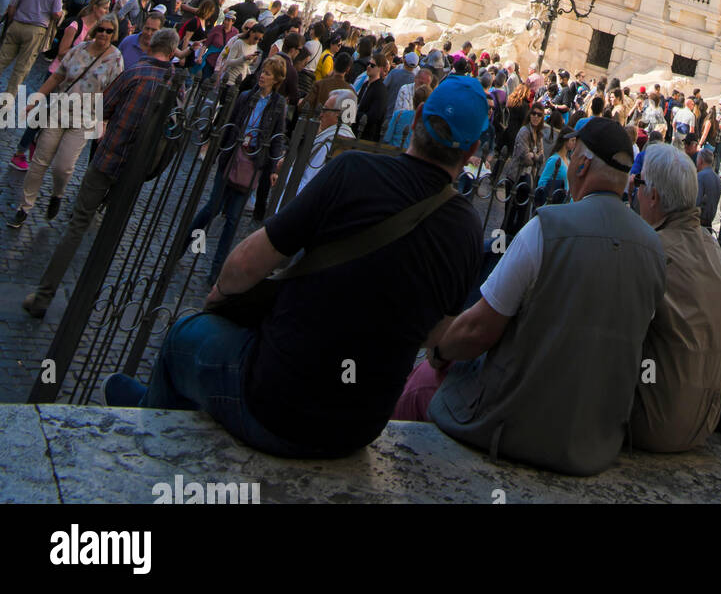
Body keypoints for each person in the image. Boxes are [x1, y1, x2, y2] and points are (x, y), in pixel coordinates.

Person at [105, 73, 486, 458]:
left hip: (274, 403)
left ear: (417, 116)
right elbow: (436, 335)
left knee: (182, 335)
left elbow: (245, 264)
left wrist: (220, 296)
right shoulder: (468, 229)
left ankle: (149, 423)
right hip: (357, 427)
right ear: (472, 150)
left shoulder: (353, 170)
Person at [400, 117, 664, 475]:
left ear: (583, 164)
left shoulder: (547, 227)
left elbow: (478, 330)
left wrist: (439, 353)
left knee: (419, 387)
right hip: (595, 440)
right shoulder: (654, 248)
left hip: (517, 427)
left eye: (574, 157)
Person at [23, 29, 180, 319]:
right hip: (135, 172)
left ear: (152, 47)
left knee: (77, 227)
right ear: (172, 52)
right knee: (110, 235)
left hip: (107, 160)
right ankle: (88, 302)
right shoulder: (175, 82)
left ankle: (43, 297)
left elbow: (103, 109)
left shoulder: (134, 73)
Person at [629, 142, 721, 452]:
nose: (635, 191)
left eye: (640, 183)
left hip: (649, 423)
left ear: (654, 196)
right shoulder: (713, 248)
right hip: (702, 424)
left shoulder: (651, 249)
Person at [7, 18, 125, 229]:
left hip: (84, 118)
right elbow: (57, 77)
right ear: (95, 29)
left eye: (109, 31)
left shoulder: (116, 59)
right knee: (40, 161)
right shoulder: (78, 50)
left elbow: (112, 94)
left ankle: (57, 194)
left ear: (114, 34)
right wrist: (37, 98)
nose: (104, 34)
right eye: (101, 29)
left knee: (63, 167)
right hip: (59, 110)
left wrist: (104, 122)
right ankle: (24, 207)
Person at [188, 56, 289, 286]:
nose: (263, 75)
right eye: (263, 71)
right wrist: (215, 152)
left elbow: (277, 137)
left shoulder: (278, 103)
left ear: (276, 80)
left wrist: (272, 168)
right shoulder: (246, 97)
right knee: (212, 208)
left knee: (233, 219)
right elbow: (229, 126)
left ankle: (217, 270)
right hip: (232, 157)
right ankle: (186, 243)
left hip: (252, 164)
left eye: (268, 73)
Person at [0, 0, 64, 109]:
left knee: (2, 59)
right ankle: (5, 101)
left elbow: (12, 6)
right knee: (21, 68)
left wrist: (14, 21)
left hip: (17, 24)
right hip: (36, 30)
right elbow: (56, 13)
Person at [696, 147, 721, 232]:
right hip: (709, 225)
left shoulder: (700, 176)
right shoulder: (718, 179)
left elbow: (696, 202)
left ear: (700, 161)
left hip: (699, 224)